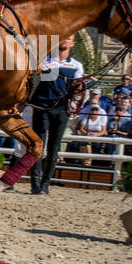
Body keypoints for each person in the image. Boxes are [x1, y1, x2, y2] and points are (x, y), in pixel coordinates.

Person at [27, 34, 86, 194]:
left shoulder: (76, 65)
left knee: (54, 148)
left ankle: (45, 184)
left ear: (73, 43)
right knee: (38, 145)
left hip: (61, 109)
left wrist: (80, 87)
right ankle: (35, 183)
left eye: (69, 38)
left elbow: (78, 89)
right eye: (63, 36)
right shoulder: (43, 60)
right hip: (41, 106)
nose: (65, 39)